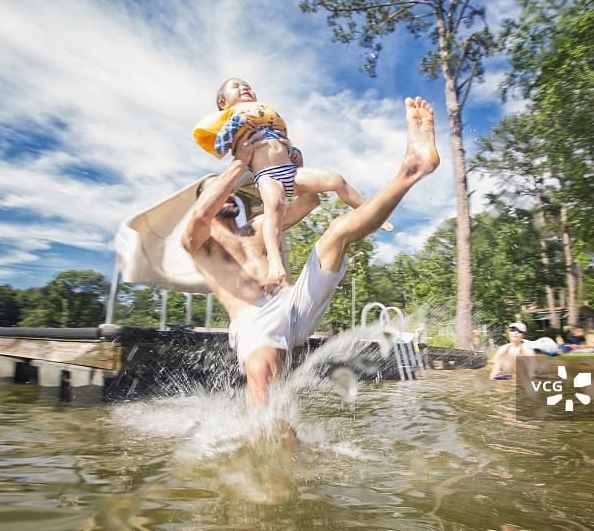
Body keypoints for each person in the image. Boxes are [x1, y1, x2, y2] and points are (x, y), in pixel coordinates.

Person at [182, 96, 439, 414]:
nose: (230, 191)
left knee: (338, 232)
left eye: (232, 187)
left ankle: (411, 170)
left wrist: (293, 170)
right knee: (265, 377)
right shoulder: (200, 244)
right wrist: (239, 162)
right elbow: (200, 218)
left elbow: (310, 203)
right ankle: (266, 448)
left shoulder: (258, 226)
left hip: (294, 304)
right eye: (220, 187)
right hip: (255, 319)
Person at [193, 78, 393, 284]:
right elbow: (220, 147)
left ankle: (372, 212)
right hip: (267, 175)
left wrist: (293, 151)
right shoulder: (232, 119)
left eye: (248, 87)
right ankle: (274, 258)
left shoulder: (263, 116)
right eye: (235, 87)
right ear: (223, 103)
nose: (244, 88)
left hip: (292, 171)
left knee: (337, 180)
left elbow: (279, 143)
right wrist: (237, 123)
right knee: (274, 205)